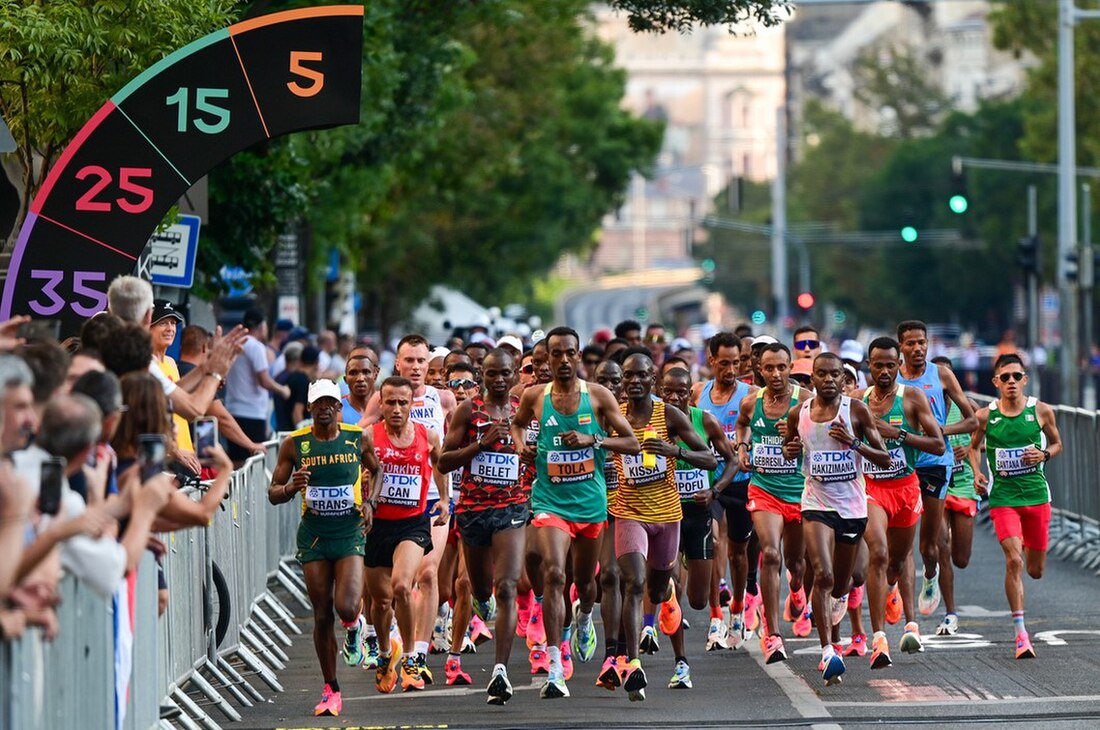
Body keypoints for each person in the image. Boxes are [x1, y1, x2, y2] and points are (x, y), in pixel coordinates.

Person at [510, 326, 640, 699]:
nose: (563, 360)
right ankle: (554, 664)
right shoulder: (535, 397)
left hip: (591, 504)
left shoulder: (597, 396)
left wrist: (593, 439)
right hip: (550, 502)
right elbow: (517, 425)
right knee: (553, 574)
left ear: (579, 356)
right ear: (546, 359)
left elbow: (630, 442)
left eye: (570, 353)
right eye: (556, 354)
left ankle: (584, 619)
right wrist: (522, 447)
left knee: (585, 584)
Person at [604, 352, 714, 701]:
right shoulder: (612, 415)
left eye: (642, 376)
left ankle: (674, 634)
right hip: (628, 510)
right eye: (628, 376)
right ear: (622, 381)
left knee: (656, 589)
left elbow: (710, 457)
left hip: (667, 515)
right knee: (633, 583)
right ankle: (633, 664)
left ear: (653, 379)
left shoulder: (668, 414)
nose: (634, 382)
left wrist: (674, 451)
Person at [782, 352, 891, 686]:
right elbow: (791, 447)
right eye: (822, 374)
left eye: (835, 375)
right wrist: (790, 451)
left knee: (844, 582)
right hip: (815, 501)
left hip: (852, 508)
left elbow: (884, 459)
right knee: (823, 573)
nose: (828, 380)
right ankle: (828, 650)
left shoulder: (855, 411)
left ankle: (837, 602)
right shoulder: (797, 413)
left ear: (844, 380)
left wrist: (854, 443)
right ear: (811, 378)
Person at [268, 379, 372, 715]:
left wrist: (371, 503)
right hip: (313, 535)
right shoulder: (294, 444)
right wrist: (290, 487)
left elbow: (378, 468)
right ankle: (331, 689)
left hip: (349, 530)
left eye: (330, 402)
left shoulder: (357, 437)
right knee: (322, 613)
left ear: (339, 408)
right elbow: (273, 493)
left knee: (346, 605)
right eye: (318, 403)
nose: (324, 408)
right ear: (310, 408)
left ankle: (354, 627)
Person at [438, 349, 528, 704]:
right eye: (492, 374)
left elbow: (534, 451)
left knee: (507, 586)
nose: (500, 380)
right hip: (474, 511)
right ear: (483, 375)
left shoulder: (524, 410)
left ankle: (500, 671)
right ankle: (482, 601)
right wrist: (480, 444)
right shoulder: (468, 410)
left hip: (513, 508)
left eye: (506, 373)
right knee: (481, 591)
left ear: (514, 374)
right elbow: (444, 461)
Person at [854, 337, 945, 669]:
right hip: (870, 488)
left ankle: (892, 587)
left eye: (891, 365)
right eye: (878, 364)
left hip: (905, 487)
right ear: (868, 365)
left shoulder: (912, 398)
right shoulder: (856, 402)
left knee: (896, 560)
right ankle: (879, 638)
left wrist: (900, 436)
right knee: (877, 552)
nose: (885, 371)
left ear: (898, 366)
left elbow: (937, 444)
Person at [968, 354, 1061, 659]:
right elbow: (973, 446)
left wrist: (1044, 455)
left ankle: (1026, 568)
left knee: (1034, 570)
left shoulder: (1041, 411)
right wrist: (978, 472)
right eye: (1005, 377)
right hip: (1003, 499)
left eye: (1016, 376)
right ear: (995, 382)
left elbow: (1057, 444)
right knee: (1013, 561)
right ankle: (1021, 634)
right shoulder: (985, 416)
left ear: (1025, 380)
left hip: (1036, 498)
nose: (1011, 382)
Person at [362, 376, 448, 692]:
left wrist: (443, 499)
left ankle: (412, 658)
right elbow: (359, 472)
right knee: (381, 602)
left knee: (401, 585)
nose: (396, 409)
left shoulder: (428, 435)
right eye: (390, 403)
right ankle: (387, 653)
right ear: (381, 404)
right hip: (378, 525)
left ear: (412, 404)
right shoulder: (369, 436)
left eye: (403, 402)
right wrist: (364, 504)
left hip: (413, 523)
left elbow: (440, 465)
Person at [734, 342, 811, 664]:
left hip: (801, 491)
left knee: (795, 563)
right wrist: (741, 448)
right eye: (769, 368)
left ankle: (796, 590)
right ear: (759, 370)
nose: (776, 374)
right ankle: (773, 634)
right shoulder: (751, 403)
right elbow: (741, 425)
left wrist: (798, 435)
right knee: (769, 553)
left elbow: (823, 439)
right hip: (764, 489)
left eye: (781, 367)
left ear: (790, 366)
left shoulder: (805, 401)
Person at [896, 320, 976, 619]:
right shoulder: (892, 377)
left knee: (930, 544)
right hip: (901, 464)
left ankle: (930, 572)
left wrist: (942, 429)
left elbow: (972, 421)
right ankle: (906, 614)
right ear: (900, 347)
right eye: (911, 343)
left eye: (922, 342)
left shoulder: (941, 374)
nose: (917, 348)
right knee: (898, 541)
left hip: (935, 464)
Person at [661, 366, 733, 687]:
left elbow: (732, 461)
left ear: (690, 392)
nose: (674, 397)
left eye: (681, 391)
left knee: (699, 601)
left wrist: (714, 491)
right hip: (665, 513)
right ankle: (680, 662)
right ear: (660, 392)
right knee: (670, 582)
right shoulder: (651, 421)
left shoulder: (704, 421)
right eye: (668, 392)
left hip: (699, 514)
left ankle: (690, 566)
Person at [691, 332, 757, 648]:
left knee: (739, 552)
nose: (731, 370)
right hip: (710, 483)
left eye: (735, 363)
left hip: (742, 483)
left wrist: (745, 447)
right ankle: (716, 618)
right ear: (711, 360)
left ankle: (738, 608)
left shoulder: (751, 395)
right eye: (724, 363)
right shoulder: (697, 394)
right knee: (715, 541)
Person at [930, 356, 978, 637]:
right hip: (936, 482)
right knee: (942, 547)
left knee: (961, 557)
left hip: (961, 483)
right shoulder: (922, 404)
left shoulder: (965, 407)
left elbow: (979, 431)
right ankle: (950, 613)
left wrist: (970, 450)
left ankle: (937, 566)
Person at [225, 309, 291, 461]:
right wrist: (283, 390)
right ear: (262, 326)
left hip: (232, 410)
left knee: (237, 462)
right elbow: (264, 380)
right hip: (252, 411)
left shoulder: (235, 343)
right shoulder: (256, 347)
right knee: (252, 460)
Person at [148, 300, 192, 455]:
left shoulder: (171, 363)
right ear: (148, 327)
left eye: (173, 323)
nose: (170, 329)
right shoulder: (147, 364)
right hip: (167, 456)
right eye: (163, 323)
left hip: (186, 452)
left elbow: (182, 402)